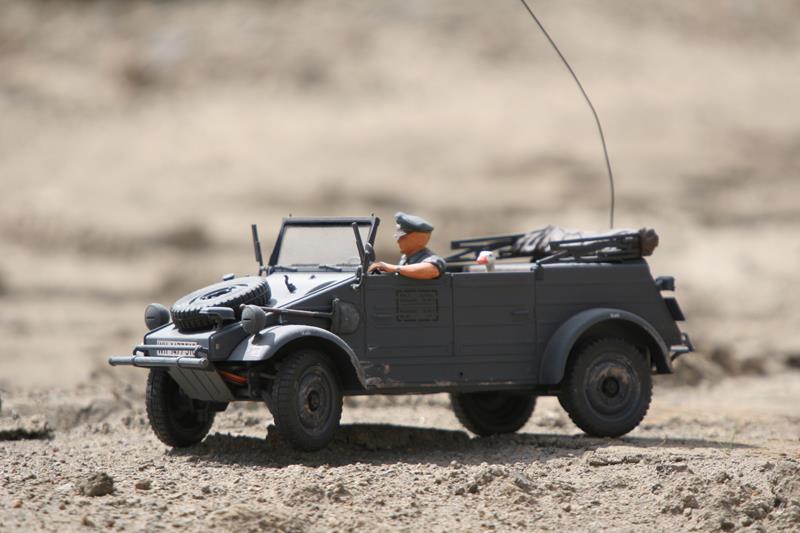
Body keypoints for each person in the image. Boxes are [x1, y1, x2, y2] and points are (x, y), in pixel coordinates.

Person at [367, 212, 446, 279]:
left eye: (402, 237)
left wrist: (394, 268)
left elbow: (432, 270)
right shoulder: (405, 259)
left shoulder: (431, 259)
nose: (398, 241)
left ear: (418, 239)